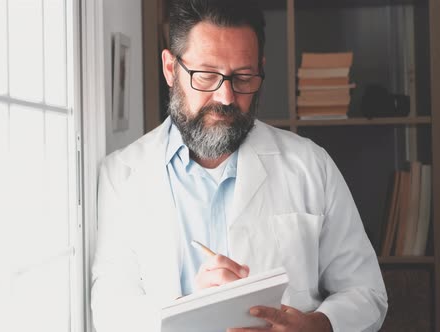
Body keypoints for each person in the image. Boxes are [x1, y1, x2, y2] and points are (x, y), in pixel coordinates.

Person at [91, 0, 388, 331]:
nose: (227, 97)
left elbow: (368, 292)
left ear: (260, 68)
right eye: (206, 76)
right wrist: (191, 310)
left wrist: (317, 325)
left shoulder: (310, 164)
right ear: (170, 69)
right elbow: (110, 311)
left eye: (243, 77)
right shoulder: (122, 174)